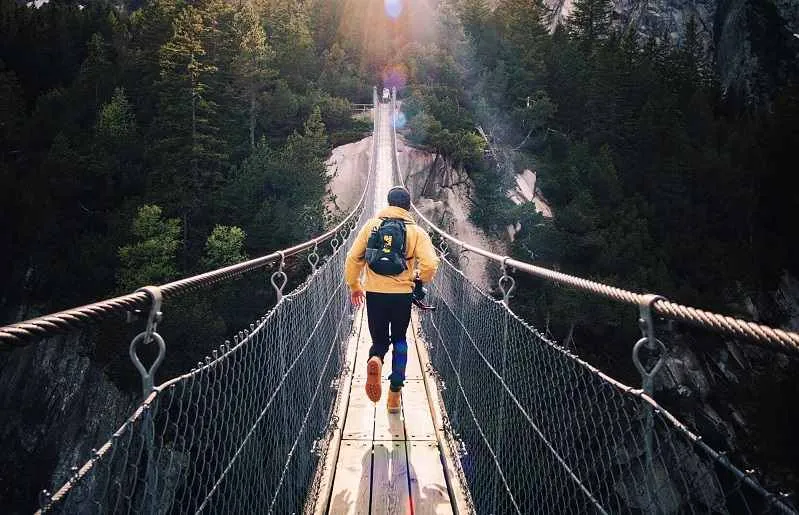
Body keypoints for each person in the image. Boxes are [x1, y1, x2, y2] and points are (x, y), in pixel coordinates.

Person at [344, 186, 439, 413]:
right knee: (400, 340)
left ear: (387, 203)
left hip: (375, 294)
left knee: (379, 340)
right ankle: (394, 394)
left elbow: (353, 258)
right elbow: (430, 264)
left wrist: (355, 286)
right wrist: (418, 280)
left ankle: (375, 358)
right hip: (401, 297)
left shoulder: (371, 226)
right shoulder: (416, 232)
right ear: (408, 206)